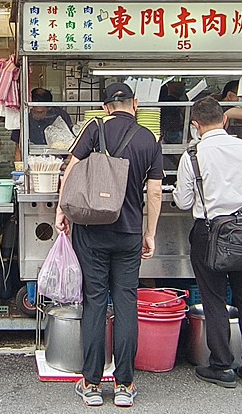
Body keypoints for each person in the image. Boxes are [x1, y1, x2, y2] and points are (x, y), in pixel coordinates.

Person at [55, 82, 163, 408]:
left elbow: (70, 171)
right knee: (126, 303)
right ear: (136, 104)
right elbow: (155, 192)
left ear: (105, 107)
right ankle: (125, 385)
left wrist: (62, 211)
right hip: (129, 233)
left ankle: (90, 384)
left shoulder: (94, 129)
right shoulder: (149, 139)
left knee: (95, 303)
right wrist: (150, 233)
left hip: (91, 230)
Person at [173, 95, 242, 389]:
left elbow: (184, 200)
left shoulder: (192, 156)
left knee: (213, 299)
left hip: (209, 231)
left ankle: (222, 366)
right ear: (224, 119)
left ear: (195, 125)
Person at [11, 87, 74, 162]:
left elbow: (74, 142)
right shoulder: (24, 118)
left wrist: (68, 161)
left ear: (48, 108)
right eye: (35, 112)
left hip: (59, 162)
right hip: (32, 162)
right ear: (30, 107)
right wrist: (19, 169)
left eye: (41, 112)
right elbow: (18, 147)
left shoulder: (61, 116)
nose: (38, 115)